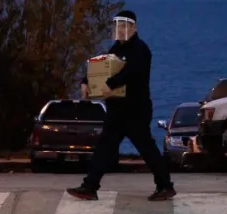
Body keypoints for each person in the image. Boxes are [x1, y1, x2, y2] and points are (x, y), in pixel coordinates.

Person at [67, 10, 176, 201]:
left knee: (146, 149)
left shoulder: (141, 50)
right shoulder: (115, 49)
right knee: (103, 148)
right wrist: (85, 81)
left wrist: (111, 84)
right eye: (118, 26)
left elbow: (132, 72)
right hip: (116, 110)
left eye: (125, 26)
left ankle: (165, 185)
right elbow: (101, 67)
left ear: (134, 27)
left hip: (135, 110)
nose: (121, 29)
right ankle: (89, 187)